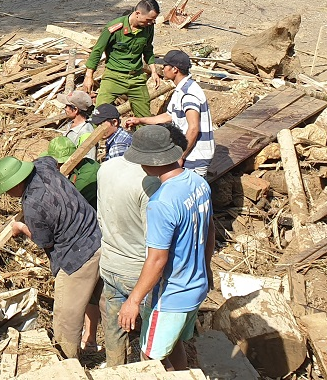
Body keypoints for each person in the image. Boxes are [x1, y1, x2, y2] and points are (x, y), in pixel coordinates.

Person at [117, 125, 214, 371]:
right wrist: (206, 267)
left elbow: (157, 260)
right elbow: (209, 229)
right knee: (174, 343)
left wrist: (133, 301)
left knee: (151, 356)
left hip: (172, 295)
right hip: (197, 285)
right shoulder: (198, 182)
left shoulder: (161, 202)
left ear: (149, 162)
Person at [0, 155, 101, 359]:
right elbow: (52, 159)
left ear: (16, 183)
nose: (7, 194)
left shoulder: (33, 206)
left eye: (7, 189)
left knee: (66, 319)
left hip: (76, 256)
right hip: (97, 235)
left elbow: (45, 242)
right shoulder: (42, 166)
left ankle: (68, 363)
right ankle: (116, 356)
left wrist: (21, 227)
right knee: (103, 300)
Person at [95, 150, 161, 366]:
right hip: (138, 270)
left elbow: (100, 216)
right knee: (152, 333)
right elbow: (155, 241)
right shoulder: (150, 182)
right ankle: (148, 371)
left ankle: (114, 370)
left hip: (110, 263)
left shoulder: (106, 168)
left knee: (114, 328)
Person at [43, 135, 103, 354]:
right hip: (83, 238)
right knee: (89, 294)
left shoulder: (88, 174)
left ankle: (90, 338)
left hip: (93, 237)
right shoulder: (69, 174)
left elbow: (73, 204)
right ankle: (88, 338)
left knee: (92, 294)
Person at [125, 50, 215, 177]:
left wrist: (181, 155)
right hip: (190, 153)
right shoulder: (181, 90)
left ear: (175, 69)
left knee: (189, 187)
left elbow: (194, 127)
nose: (162, 69)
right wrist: (140, 120)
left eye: (165, 66)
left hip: (195, 155)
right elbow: (169, 116)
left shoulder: (188, 93)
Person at [83, 0, 160, 118]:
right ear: (138, 13)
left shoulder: (148, 28)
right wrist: (89, 76)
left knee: (144, 117)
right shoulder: (114, 28)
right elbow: (97, 51)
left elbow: (148, 49)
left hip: (136, 78)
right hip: (114, 77)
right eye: (149, 20)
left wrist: (154, 71)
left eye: (153, 20)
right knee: (100, 115)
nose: (151, 23)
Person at [57, 90, 95, 160]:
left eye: (67, 106)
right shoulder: (71, 123)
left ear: (75, 110)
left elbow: (89, 160)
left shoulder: (86, 133)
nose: (65, 108)